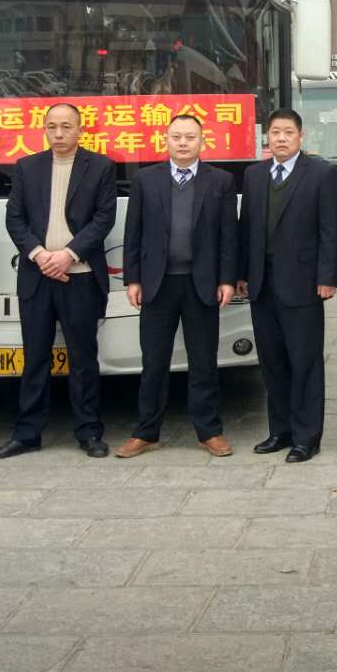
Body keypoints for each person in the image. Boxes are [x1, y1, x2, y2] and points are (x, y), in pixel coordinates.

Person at [0, 103, 117, 460]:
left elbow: (104, 218)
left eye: (66, 126)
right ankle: (27, 433)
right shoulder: (27, 167)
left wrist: (69, 254)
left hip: (81, 277)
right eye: (52, 127)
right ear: (44, 129)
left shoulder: (101, 167)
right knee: (34, 358)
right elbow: (15, 218)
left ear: (80, 130)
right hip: (37, 277)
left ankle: (89, 431)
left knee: (83, 358)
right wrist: (40, 255)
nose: (58, 133)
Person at [117, 114, 238, 460]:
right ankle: (146, 432)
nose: (183, 143)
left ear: (203, 142)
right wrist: (133, 279)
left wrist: (227, 279)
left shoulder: (220, 181)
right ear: (165, 140)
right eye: (176, 137)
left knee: (203, 361)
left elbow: (229, 236)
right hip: (157, 284)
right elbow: (133, 233)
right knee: (154, 361)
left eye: (190, 137)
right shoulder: (146, 179)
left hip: (202, 284)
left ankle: (209, 431)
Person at [238, 109, 337, 463]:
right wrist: (242, 273)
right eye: (275, 132)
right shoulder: (254, 175)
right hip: (261, 283)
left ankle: (307, 436)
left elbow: (331, 229)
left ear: (301, 136)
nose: (281, 138)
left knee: (305, 362)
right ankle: (279, 431)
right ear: (266, 137)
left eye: (288, 132)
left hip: (303, 284)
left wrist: (328, 277)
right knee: (272, 361)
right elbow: (246, 227)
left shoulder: (321, 173)